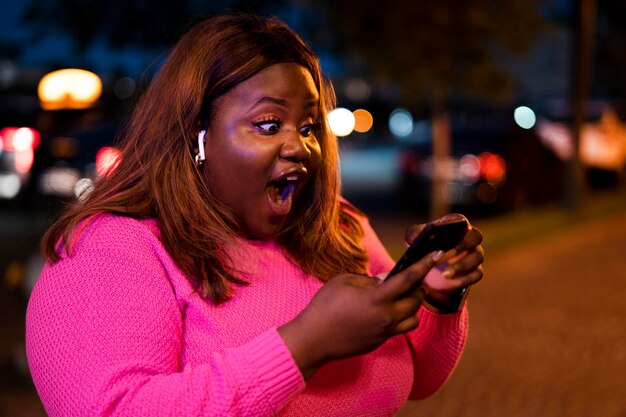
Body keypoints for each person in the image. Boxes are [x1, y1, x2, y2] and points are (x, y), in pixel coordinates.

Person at [26, 13, 484, 417]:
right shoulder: (112, 251)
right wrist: (305, 345)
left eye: (308, 127)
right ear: (196, 136)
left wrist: (439, 301)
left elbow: (423, 380)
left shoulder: (339, 227)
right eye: (269, 124)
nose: (300, 146)